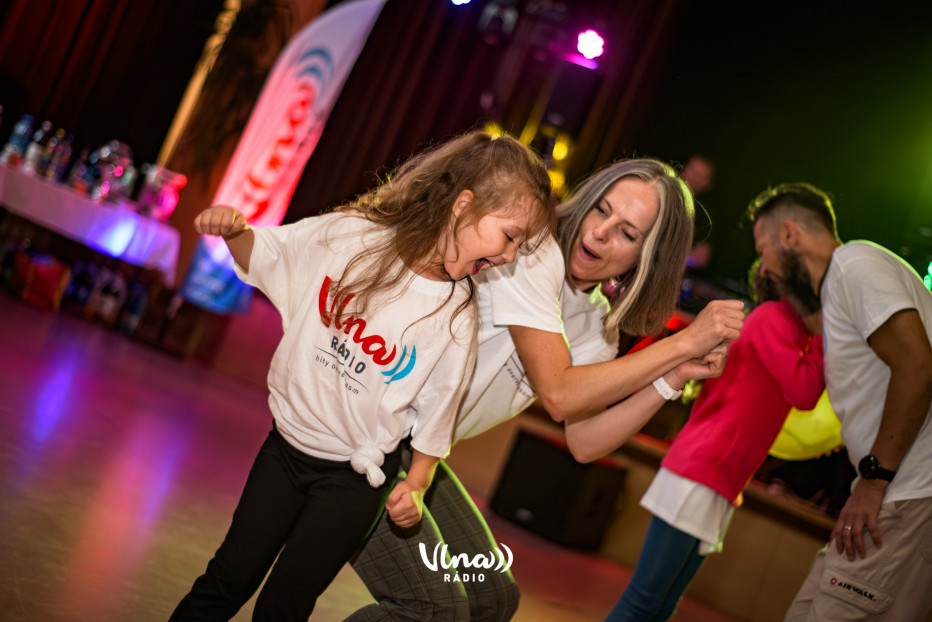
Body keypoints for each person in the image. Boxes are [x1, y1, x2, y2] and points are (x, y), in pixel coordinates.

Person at [168, 131, 556, 622]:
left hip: (355, 484)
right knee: (228, 578)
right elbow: (272, 255)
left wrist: (417, 484)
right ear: (463, 205)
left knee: (285, 605)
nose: (510, 256)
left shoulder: (457, 317)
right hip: (284, 453)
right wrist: (235, 231)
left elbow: (437, 415)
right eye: (511, 236)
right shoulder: (354, 236)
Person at [348, 158, 746, 621]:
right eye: (601, 210)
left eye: (627, 233)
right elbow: (558, 393)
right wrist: (682, 344)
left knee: (493, 599)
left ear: (648, 258)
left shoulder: (597, 324)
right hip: (374, 426)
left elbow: (585, 441)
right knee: (434, 609)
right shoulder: (532, 254)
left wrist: (672, 377)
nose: (600, 232)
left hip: (421, 451)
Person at [747, 183, 932, 621]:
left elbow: (918, 365)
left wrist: (874, 479)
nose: (765, 266)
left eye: (763, 249)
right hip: (893, 490)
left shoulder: (852, 264)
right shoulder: (840, 284)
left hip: (905, 490)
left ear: (788, 235)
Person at [604, 259, 825, 622]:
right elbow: (805, 392)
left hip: (718, 476)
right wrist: (823, 338)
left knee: (660, 606)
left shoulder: (790, 329)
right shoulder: (774, 318)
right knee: (644, 602)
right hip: (703, 470)